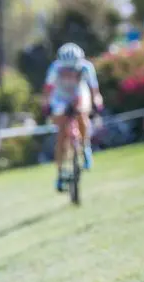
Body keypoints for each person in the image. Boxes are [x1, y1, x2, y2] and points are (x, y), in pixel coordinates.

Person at [43, 42, 104, 192]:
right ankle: (59, 173)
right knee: (61, 136)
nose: (70, 72)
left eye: (73, 69)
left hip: (78, 93)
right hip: (60, 96)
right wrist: (46, 105)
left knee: (82, 114)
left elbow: (94, 91)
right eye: (66, 69)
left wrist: (97, 101)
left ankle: (85, 147)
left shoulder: (86, 67)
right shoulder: (55, 68)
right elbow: (48, 91)